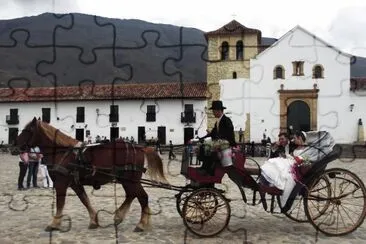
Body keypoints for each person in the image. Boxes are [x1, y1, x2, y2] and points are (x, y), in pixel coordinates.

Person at [198, 100, 257, 189]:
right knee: (203, 146)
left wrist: (232, 145)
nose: (213, 113)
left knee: (207, 146)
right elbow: (212, 134)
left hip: (226, 143)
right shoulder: (218, 122)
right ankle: (206, 168)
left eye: (214, 111)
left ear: (219, 111)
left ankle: (206, 169)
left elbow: (230, 133)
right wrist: (201, 139)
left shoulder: (226, 120)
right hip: (220, 142)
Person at [259, 131, 307, 206]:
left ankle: (271, 184)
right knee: (271, 165)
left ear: (287, 139)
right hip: (284, 163)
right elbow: (271, 157)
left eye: (282, 139)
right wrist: (274, 147)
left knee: (276, 167)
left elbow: (298, 155)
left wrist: (287, 156)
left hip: (292, 164)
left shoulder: (293, 144)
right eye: (280, 139)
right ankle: (264, 185)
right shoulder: (280, 146)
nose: (280, 141)